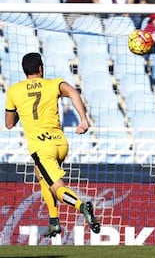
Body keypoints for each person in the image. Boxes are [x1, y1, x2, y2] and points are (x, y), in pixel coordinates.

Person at [5, 53, 101, 237]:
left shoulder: (14, 91)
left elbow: (9, 123)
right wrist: (83, 120)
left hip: (41, 148)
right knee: (41, 176)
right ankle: (54, 222)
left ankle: (82, 206)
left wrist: (21, 110)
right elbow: (73, 91)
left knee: (57, 189)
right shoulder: (52, 84)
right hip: (60, 143)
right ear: (41, 68)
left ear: (24, 71)